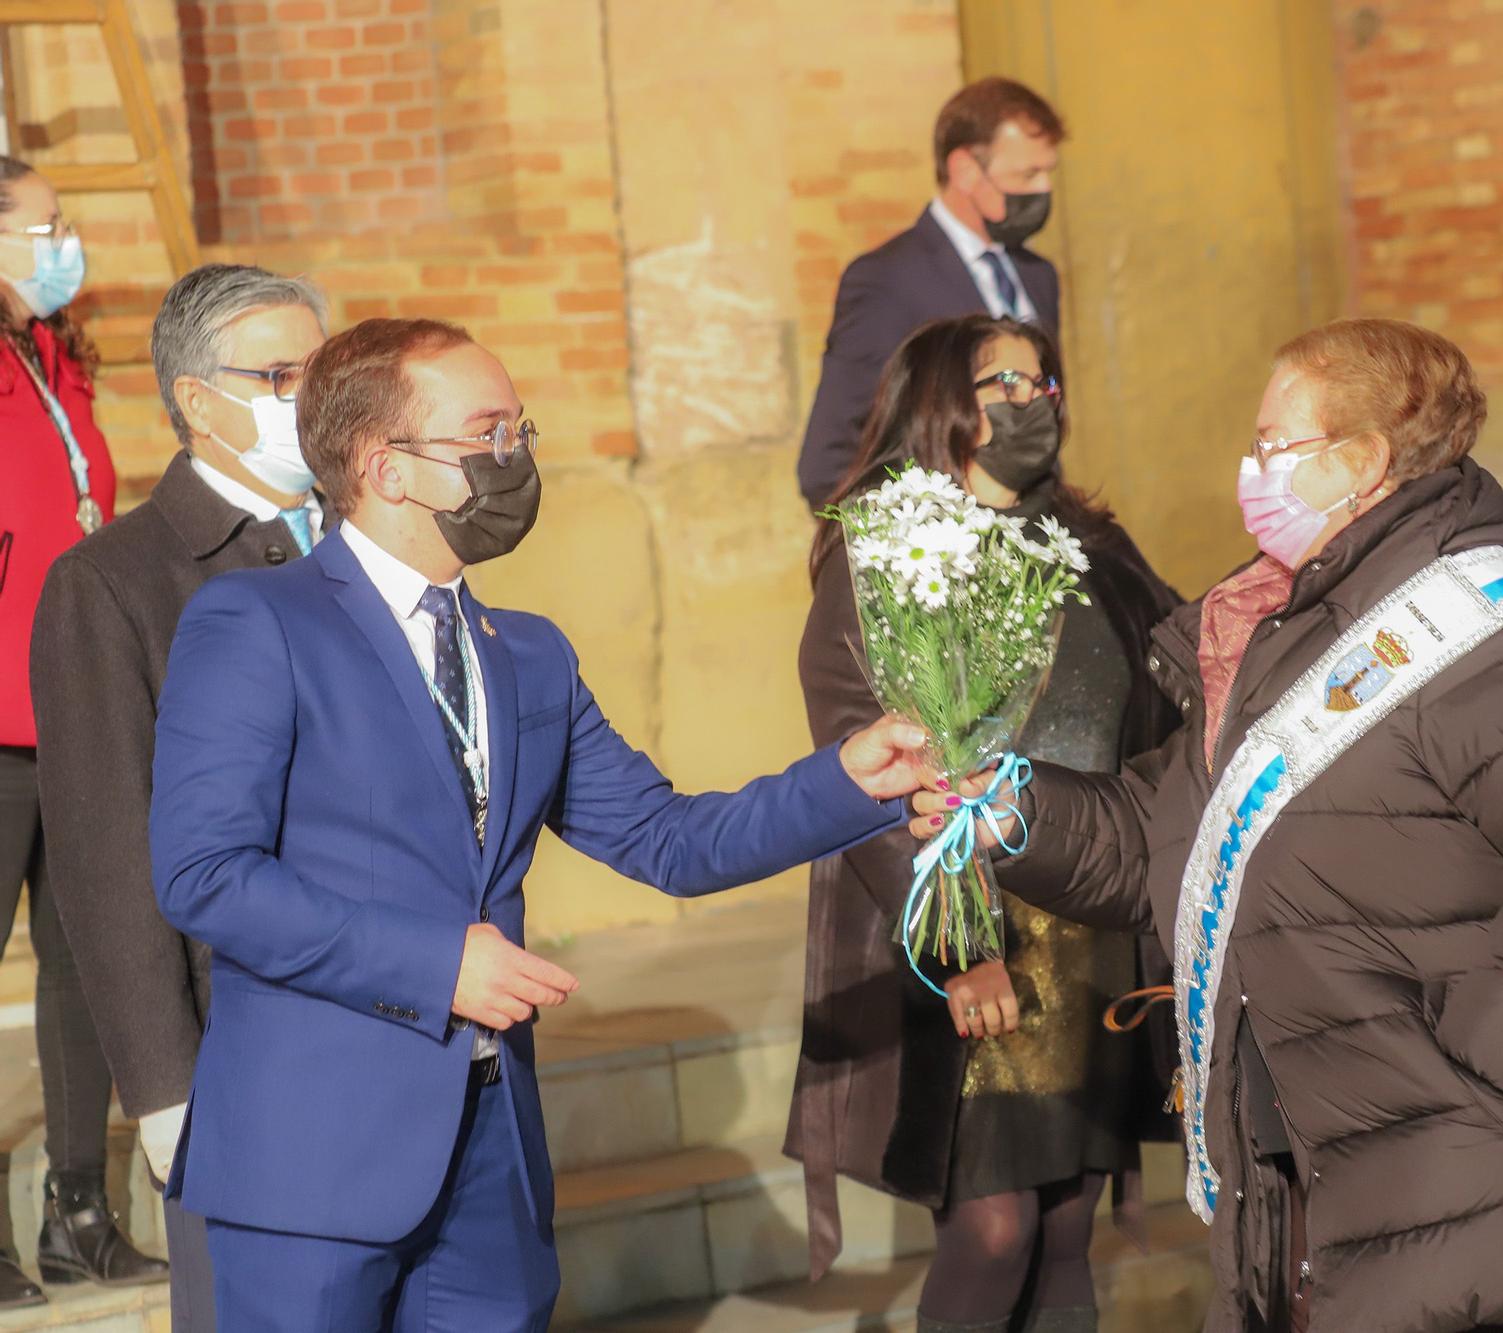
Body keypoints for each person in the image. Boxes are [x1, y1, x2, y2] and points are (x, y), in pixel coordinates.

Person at [913, 318, 1503, 1332]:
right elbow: (1161, 832)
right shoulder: (1289, 628)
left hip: (1490, 1194)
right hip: (1320, 1163)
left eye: (1274, 444)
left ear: (1361, 461)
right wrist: (1002, 809)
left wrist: (1486, 1069)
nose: (1250, 467)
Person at [146, 317, 936, 1331]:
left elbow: (668, 838)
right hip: (313, 1160)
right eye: (488, 435)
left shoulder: (528, 652)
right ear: (389, 469)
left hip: (491, 1155)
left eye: (521, 428)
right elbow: (206, 875)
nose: (516, 456)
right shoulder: (257, 622)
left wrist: (845, 780)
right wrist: (435, 964)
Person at [789, 315, 1180, 1333]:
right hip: (964, 924)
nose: (1025, 397)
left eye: (1039, 379)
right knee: (995, 1223)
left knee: (1063, 1226)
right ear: (937, 403)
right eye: (996, 379)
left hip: (1089, 924)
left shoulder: (1089, 542)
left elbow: (1184, 669)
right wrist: (960, 947)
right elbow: (865, 776)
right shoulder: (880, 551)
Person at [30, 262, 332, 1333]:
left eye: (325, 368)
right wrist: (167, 1093)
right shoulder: (114, 581)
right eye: (281, 374)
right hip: (246, 1058)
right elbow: (108, 857)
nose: (315, 396)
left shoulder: (376, 537)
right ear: (200, 402)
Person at [0, 154, 166, 1310]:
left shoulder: (57, 357)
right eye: (44, 227)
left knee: (86, 965)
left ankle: (79, 1211)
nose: (67, 245)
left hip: (78, 711)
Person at [796, 78, 1064, 506]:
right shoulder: (887, 279)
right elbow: (829, 461)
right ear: (964, 170)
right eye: (1028, 174)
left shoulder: (1039, 276)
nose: (1043, 189)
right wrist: (917, 550)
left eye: (1048, 172)